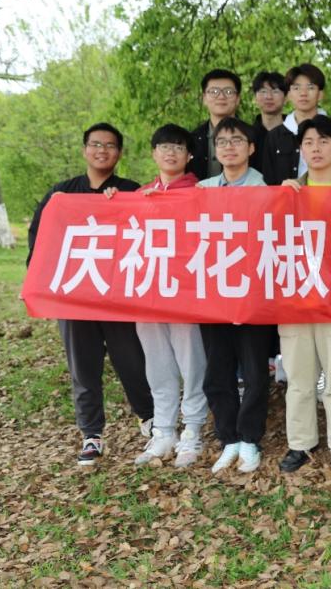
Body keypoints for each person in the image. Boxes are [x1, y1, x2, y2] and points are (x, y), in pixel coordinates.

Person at [27, 123, 154, 466]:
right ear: (85, 150)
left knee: (132, 360)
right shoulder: (61, 194)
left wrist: (123, 203)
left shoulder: (129, 190)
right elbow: (40, 239)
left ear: (119, 153)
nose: (102, 151)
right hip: (75, 294)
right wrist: (41, 283)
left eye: (110, 145)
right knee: (83, 366)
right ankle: (91, 434)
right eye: (96, 145)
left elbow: (150, 232)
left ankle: (149, 418)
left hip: (119, 296)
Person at [109, 125, 207, 467]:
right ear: (153, 153)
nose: (170, 152)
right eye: (164, 147)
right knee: (157, 363)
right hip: (148, 291)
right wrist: (114, 201)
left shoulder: (200, 191)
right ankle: (164, 429)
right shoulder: (140, 194)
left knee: (191, 363)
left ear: (189, 155)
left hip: (186, 293)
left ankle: (193, 428)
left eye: (178, 147)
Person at [278, 116, 331, 474]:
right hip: (295, 300)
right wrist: (279, 199)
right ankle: (300, 443)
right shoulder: (286, 193)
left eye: (324, 141)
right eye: (308, 142)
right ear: (300, 149)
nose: (316, 148)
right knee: (298, 379)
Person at [197, 117, 271, 473]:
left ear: (251, 148)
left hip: (252, 293)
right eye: (222, 141)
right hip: (212, 293)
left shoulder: (266, 190)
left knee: (255, 371)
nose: (229, 147)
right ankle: (228, 438)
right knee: (217, 371)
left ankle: (250, 437)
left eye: (237, 140)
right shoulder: (201, 190)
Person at [188, 69, 241, 181]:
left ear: (237, 99)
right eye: (214, 92)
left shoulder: (253, 136)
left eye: (228, 92)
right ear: (204, 99)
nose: (221, 97)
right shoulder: (191, 140)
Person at [249, 70, 287, 169]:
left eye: (275, 91)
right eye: (263, 91)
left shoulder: (295, 132)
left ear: (286, 98)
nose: (269, 97)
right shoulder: (247, 135)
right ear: (255, 98)